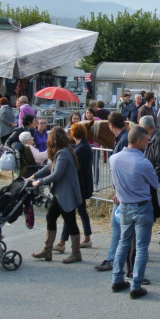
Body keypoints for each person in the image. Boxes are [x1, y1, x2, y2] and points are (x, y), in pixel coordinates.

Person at [109, 125, 158, 298]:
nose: (147, 143)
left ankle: (117, 278)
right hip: (142, 205)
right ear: (139, 141)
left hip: (124, 205)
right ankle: (136, 285)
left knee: (123, 242)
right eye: (146, 141)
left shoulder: (114, 158)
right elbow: (154, 182)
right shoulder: (143, 162)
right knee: (142, 247)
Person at [28, 127, 83, 264]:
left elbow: (57, 174)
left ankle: (76, 253)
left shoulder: (63, 153)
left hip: (65, 193)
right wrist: (34, 176)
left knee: (70, 221)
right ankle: (47, 250)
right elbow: (49, 168)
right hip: (60, 193)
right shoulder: (62, 152)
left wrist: (39, 182)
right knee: (51, 216)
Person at [94, 112, 129, 272]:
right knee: (118, 225)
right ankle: (116, 257)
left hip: (121, 192)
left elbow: (120, 170)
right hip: (123, 191)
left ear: (110, 126)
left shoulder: (122, 141)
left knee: (118, 225)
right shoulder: (123, 138)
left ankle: (114, 259)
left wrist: (117, 191)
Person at [53, 122, 94, 254]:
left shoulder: (81, 148)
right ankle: (86, 238)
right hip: (82, 183)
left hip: (79, 184)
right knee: (81, 212)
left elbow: (77, 168)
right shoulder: (83, 146)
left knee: (70, 212)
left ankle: (62, 241)